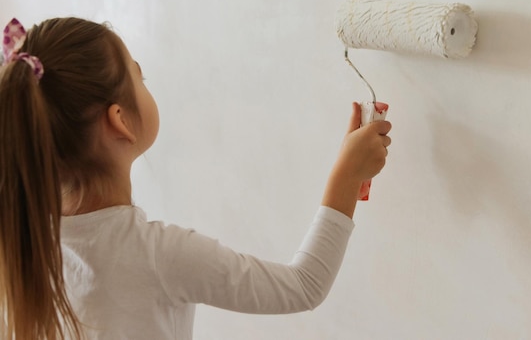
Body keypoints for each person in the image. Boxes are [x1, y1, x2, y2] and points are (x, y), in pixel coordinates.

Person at [0, 17, 392, 339]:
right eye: (139, 76)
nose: (144, 81)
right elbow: (304, 286)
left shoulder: (25, 247)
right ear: (119, 121)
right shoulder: (160, 255)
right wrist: (347, 176)